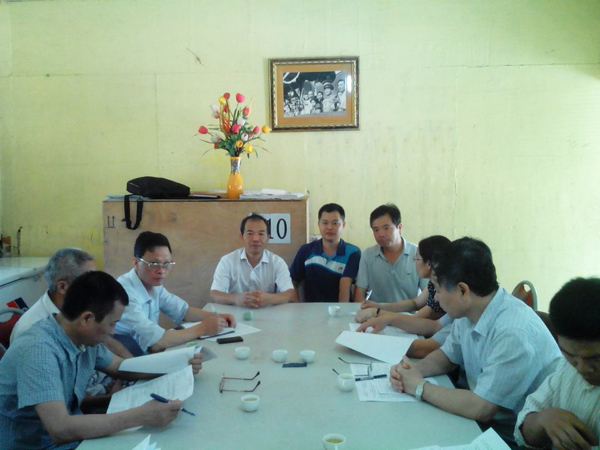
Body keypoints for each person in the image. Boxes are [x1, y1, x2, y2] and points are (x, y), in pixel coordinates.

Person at [0, 271, 203, 450]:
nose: (113, 332)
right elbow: (60, 428)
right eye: (112, 324)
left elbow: (120, 367)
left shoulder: (81, 337)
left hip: (71, 439)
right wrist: (141, 416)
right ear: (87, 319)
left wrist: (177, 364)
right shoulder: (38, 350)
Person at [390, 237, 561, 447]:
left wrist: (419, 387)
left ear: (463, 290)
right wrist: (411, 371)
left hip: (508, 439)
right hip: (478, 423)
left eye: (439, 290)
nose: (438, 299)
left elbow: (482, 408)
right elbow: (446, 357)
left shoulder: (513, 332)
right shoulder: (469, 311)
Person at [9, 248, 132, 403]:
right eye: (88, 281)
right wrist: (110, 399)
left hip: (101, 386)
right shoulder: (34, 335)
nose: (98, 287)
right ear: (63, 287)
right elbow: (63, 405)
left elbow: (111, 351)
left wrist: (132, 371)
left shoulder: (79, 318)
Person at [115, 231, 235, 354]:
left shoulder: (153, 284)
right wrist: (203, 328)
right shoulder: (124, 293)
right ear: (136, 263)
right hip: (129, 359)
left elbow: (183, 311)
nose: (161, 271)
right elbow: (156, 343)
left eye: (166, 264)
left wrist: (216, 316)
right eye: (154, 264)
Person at [515, 277, 600, 450]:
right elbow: (523, 431)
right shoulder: (565, 368)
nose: (581, 368)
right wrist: (544, 419)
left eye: (595, 358)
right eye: (571, 356)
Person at [355, 235, 452, 358]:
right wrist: (378, 306)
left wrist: (377, 313)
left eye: (416, 258)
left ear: (428, 264)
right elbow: (415, 303)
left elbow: (417, 321)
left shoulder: (445, 290)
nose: (414, 262)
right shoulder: (434, 284)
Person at [211, 213, 296, 308]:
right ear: (241, 237)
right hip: (235, 313)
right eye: (250, 234)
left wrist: (269, 299)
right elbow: (215, 294)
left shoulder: (277, 262)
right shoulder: (227, 261)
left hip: (268, 313)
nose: (255, 239)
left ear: (268, 237)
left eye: (261, 234)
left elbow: (290, 293)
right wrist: (236, 299)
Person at [354, 204, 427, 304]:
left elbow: (427, 293)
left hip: (409, 313)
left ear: (399, 227)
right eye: (376, 230)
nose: (381, 234)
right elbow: (360, 293)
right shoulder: (368, 255)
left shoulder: (418, 254)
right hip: (375, 312)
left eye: (386, 228)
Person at [290, 203, 361, 302]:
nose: (329, 227)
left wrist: (342, 310)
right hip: (311, 309)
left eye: (335, 223)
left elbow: (345, 285)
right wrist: (296, 306)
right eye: (325, 223)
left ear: (343, 225)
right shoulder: (306, 250)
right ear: (318, 224)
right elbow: (292, 281)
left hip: (339, 308)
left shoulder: (353, 253)